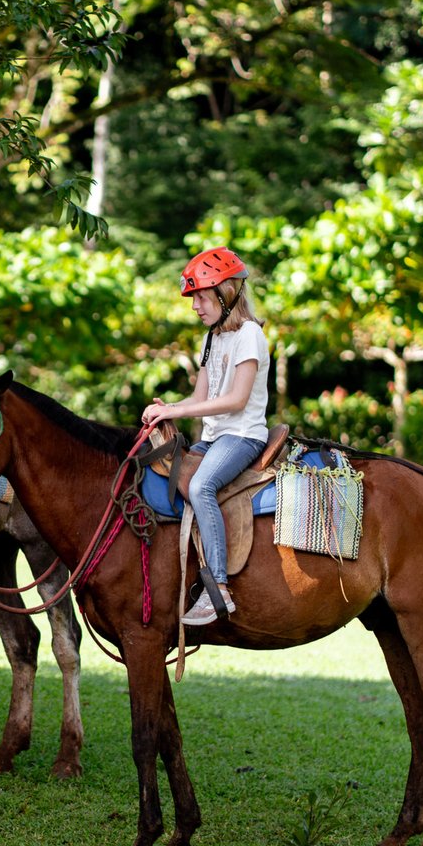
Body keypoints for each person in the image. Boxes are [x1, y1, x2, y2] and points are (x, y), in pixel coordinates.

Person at [140, 248, 271, 627]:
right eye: (193, 298)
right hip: (214, 437)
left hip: (242, 436)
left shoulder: (250, 335)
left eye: (200, 296)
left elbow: (236, 400)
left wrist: (175, 412)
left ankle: (219, 590)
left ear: (226, 293)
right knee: (165, 478)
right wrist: (167, 408)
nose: (195, 306)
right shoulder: (211, 338)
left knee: (200, 488)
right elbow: (200, 399)